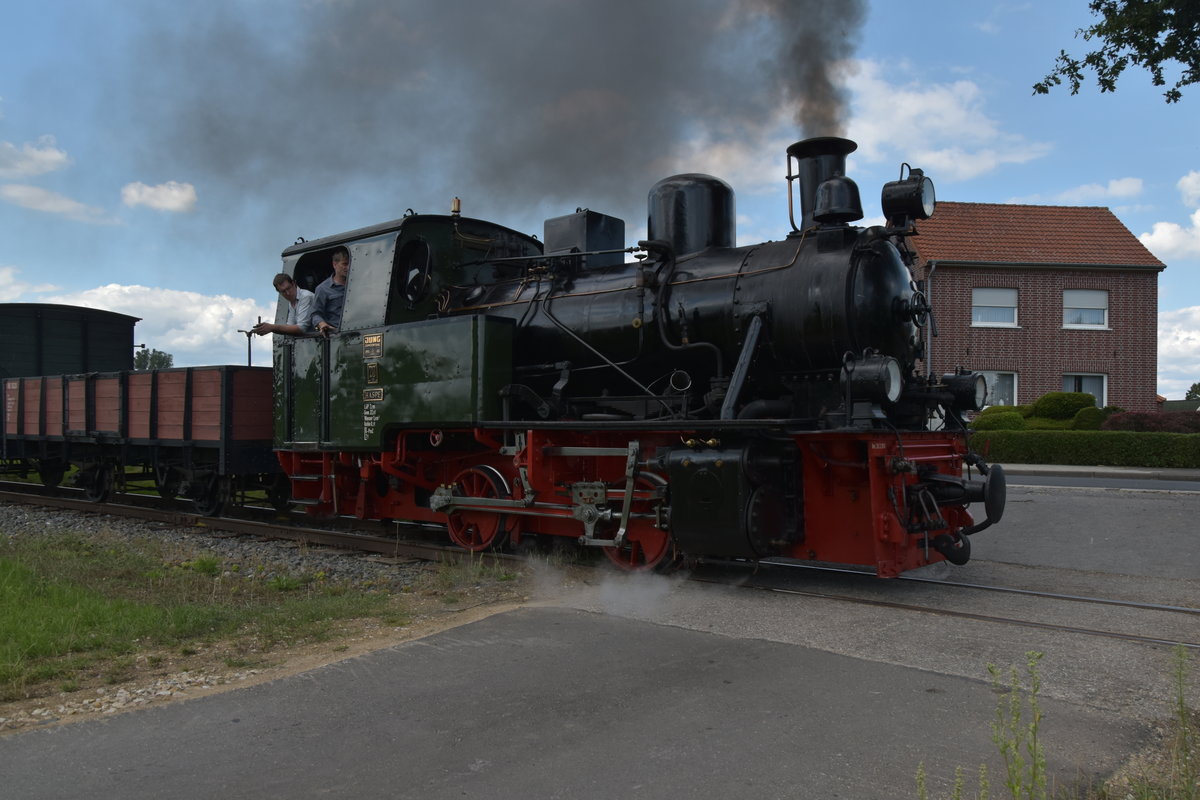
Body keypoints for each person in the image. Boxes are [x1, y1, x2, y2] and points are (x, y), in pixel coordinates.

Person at [312, 246, 350, 335]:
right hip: (336, 335)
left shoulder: (358, 283)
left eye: (349, 264)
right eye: (344, 264)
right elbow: (315, 314)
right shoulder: (322, 289)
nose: (348, 268)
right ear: (334, 264)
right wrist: (322, 324)